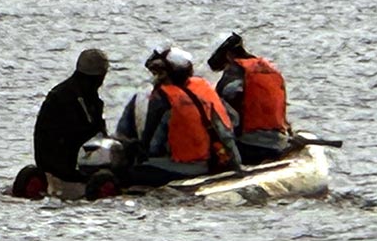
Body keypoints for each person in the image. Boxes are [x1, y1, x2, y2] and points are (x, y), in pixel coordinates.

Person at [131, 47, 240, 186]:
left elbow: (153, 146)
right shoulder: (203, 88)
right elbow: (233, 121)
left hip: (186, 167)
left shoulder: (162, 99)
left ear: (164, 74)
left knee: (134, 171)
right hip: (211, 161)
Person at [208, 32, 290, 164]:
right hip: (279, 142)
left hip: (250, 146)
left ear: (228, 56)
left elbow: (224, 119)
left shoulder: (233, 76)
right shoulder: (269, 70)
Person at [33, 48, 110, 182]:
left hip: (60, 162)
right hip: (62, 166)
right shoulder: (68, 98)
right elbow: (86, 133)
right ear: (99, 77)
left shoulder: (81, 95)